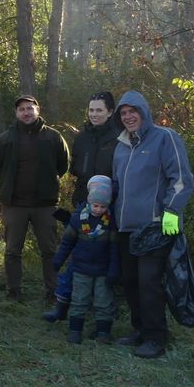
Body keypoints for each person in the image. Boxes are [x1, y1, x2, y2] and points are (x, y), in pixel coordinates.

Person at [112, 91, 194, 360]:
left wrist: (171, 211)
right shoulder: (122, 146)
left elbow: (181, 178)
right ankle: (140, 330)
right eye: (123, 113)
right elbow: (117, 185)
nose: (128, 117)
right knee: (130, 281)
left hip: (154, 227)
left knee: (149, 283)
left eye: (132, 111)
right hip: (125, 227)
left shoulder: (165, 137)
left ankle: (156, 337)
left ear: (144, 112)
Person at [43, 90, 122, 322]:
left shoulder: (119, 138)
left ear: (110, 112)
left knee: (107, 258)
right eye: (91, 110)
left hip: (109, 210)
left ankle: (105, 311)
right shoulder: (82, 138)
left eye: (99, 110)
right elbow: (75, 169)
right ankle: (63, 305)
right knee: (77, 257)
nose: (94, 114)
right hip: (83, 206)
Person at [0, 95, 69, 302]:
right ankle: (13, 291)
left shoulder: (53, 137)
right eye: (22, 109)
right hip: (15, 205)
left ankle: (53, 291)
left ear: (38, 110)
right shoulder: (6, 138)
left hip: (46, 205)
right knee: (13, 251)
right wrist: (9, 184)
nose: (26, 112)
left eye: (29, 109)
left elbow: (63, 165)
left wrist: (47, 184)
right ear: (16, 113)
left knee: (49, 250)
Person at [52, 175, 120, 345]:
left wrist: (113, 270)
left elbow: (114, 249)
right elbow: (67, 242)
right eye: (96, 205)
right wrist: (58, 260)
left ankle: (103, 333)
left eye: (103, 206)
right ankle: (75, 331)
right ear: (90, 203)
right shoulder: (78, 219)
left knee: (104, 302)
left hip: (103, 270)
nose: (98, 209)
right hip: (81, 269)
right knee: (79, 299)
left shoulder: (110, 222)